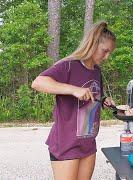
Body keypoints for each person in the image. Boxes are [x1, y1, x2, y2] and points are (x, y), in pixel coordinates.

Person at [31, 21, 116, 180]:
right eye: (104, 51)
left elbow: (94, 95)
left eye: (110, 52)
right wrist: (73, 89)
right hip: (66, 143)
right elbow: (38, 82)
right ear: (93, 44)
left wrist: (104, 100)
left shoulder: (97, 71)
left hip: (88, 142)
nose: (107, 57)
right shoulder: (69, 65)